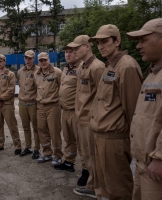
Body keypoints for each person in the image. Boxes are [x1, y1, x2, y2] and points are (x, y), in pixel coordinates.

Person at [88, 24, 142, 199]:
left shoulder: (126, 67)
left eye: (105, 41)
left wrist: (134, 143)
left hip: (115, 138)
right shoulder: (110, 66)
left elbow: (134, 109)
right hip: (102, 135)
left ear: (117, 41)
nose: (101, 46)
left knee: (118, 188)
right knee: (104, 186)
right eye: (98, 43)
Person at [126, 18, 162, 200]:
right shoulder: (154, 72)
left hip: (159, 170)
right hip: (145, 165)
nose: (138, 46)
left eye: (144, 40)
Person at [69, 35, 105, 198]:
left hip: (90, 120)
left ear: (88, 46)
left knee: (93, 156)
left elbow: (102, 96)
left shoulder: (97, 67)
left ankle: (99, 189)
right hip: (81, 118)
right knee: (86, 155)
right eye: (73, 48)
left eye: (77, 48)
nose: (74, 51)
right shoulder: (83, 66)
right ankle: (92, 185)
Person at [54, 43, 85, 172]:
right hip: (65, 110)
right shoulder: (66, 69)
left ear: (77, 53)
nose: (68, 54)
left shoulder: (82, 68)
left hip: (76, 111)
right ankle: (68, 162)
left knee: (81, 142)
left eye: (71, 52)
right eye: (66, 52)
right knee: (68, 139)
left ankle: (86, 169)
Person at [33, 52, 63, 166]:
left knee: (54, 131)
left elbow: (62, 88)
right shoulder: (36, 74)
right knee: (41, 129)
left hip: (53, 105)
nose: (43, 62)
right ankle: (47, 153)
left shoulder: (57, 72)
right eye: (41, 61)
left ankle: (58, 155)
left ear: (49, 60)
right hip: (40, 106)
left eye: (45, 60)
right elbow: (37, 89)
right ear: (38, 62)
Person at [0, 54, 22, 155]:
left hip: (7, 104)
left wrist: (0, 99)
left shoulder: (11, 74)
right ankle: (0, 144)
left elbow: (11, 90)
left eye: (1, 61)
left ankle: (17, 146)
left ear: (5, 62)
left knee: (12, 125)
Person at [17, 50, 40, 159]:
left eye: (30, 58)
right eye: (26, 58)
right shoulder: (20, 71)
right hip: (22, 103)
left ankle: (37, 149)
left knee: (36, 127)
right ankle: (28, 147)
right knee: (25, 127)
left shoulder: (38, 71)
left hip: (33, 103)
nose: (28, 60)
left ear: (34, 59)